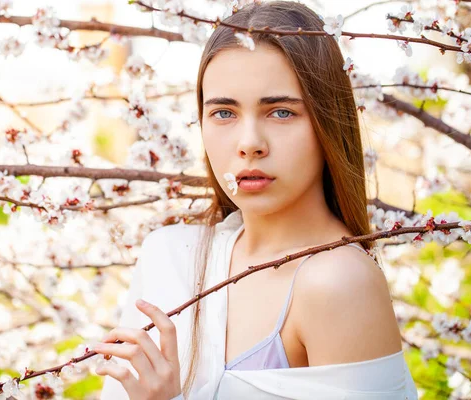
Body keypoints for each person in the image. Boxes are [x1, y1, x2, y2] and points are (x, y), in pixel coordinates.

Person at [94, 1, 419, 399]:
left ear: (328, 121)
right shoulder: (170, 256)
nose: (249, 144)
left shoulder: (337, 283)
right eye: (224, 113)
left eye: (281, 113)